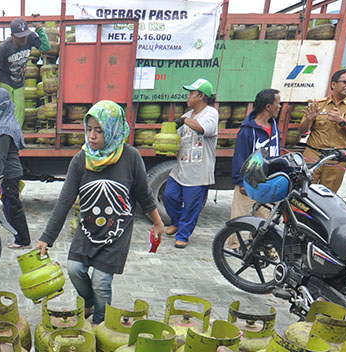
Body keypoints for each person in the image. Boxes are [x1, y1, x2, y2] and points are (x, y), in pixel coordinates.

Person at [35, 100, 164, 325]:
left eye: (99, 130)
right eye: (89, 129)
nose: (92, 136)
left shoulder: (130, 157)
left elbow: (144, 195)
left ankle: (100, 324)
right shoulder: (81, 160)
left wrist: (157, 222)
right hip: (88, 229)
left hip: (117, 233)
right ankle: (89, 302)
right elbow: (64, 202)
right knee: (75, 269)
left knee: (101, 281)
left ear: (113, 130)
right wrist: (47, 238)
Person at [162, 78, 219, 249]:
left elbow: (203, 129)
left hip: (199, 172)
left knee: (191, 207)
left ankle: (183, 235)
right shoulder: (187, 115)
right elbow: (177, 137)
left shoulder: (210, 113)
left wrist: (184, 121)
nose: (188, 97)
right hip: (181, 169)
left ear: (201, 96)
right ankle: (177, 222)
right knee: (169, 196)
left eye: (191, 93)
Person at [298, 68, 346, 193]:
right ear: (334, 84)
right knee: (303, 191)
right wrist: (308, 120)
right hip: (313, 154)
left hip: (337, 157)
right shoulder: (318, 104)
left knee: (327, 195)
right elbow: (302, 130)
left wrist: (341, 121)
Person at [229, 88, 281, 225]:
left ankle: (259, 246)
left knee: (264, 222)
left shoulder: (274, 127)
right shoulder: (247, 130)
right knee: (239, 219)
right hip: (249, 183)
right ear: (268, 107)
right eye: (278, 103)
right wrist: (241, 182)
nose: (280, 107)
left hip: (268, 183)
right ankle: (232, 246)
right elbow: (240, 156)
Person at [0, 17, 50, 126]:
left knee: (19, 111)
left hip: (19, 81)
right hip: (5, 80)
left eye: (25, 36)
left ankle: (16, 133)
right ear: (13, 36)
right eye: (20, 37)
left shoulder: (30, 38)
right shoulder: (4, 47)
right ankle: (5, 131)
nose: (24, 40)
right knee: (6, 108)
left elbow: (46, 47)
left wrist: (39, 28)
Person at [0, 87, 30, 249]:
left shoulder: (5, 129)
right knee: (12, 206)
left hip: (9, 173)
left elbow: (2, 158)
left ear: (2, 105)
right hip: (12, 172)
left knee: (12, 208)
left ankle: (22, 240)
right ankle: (20, 238)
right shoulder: (7, 121)